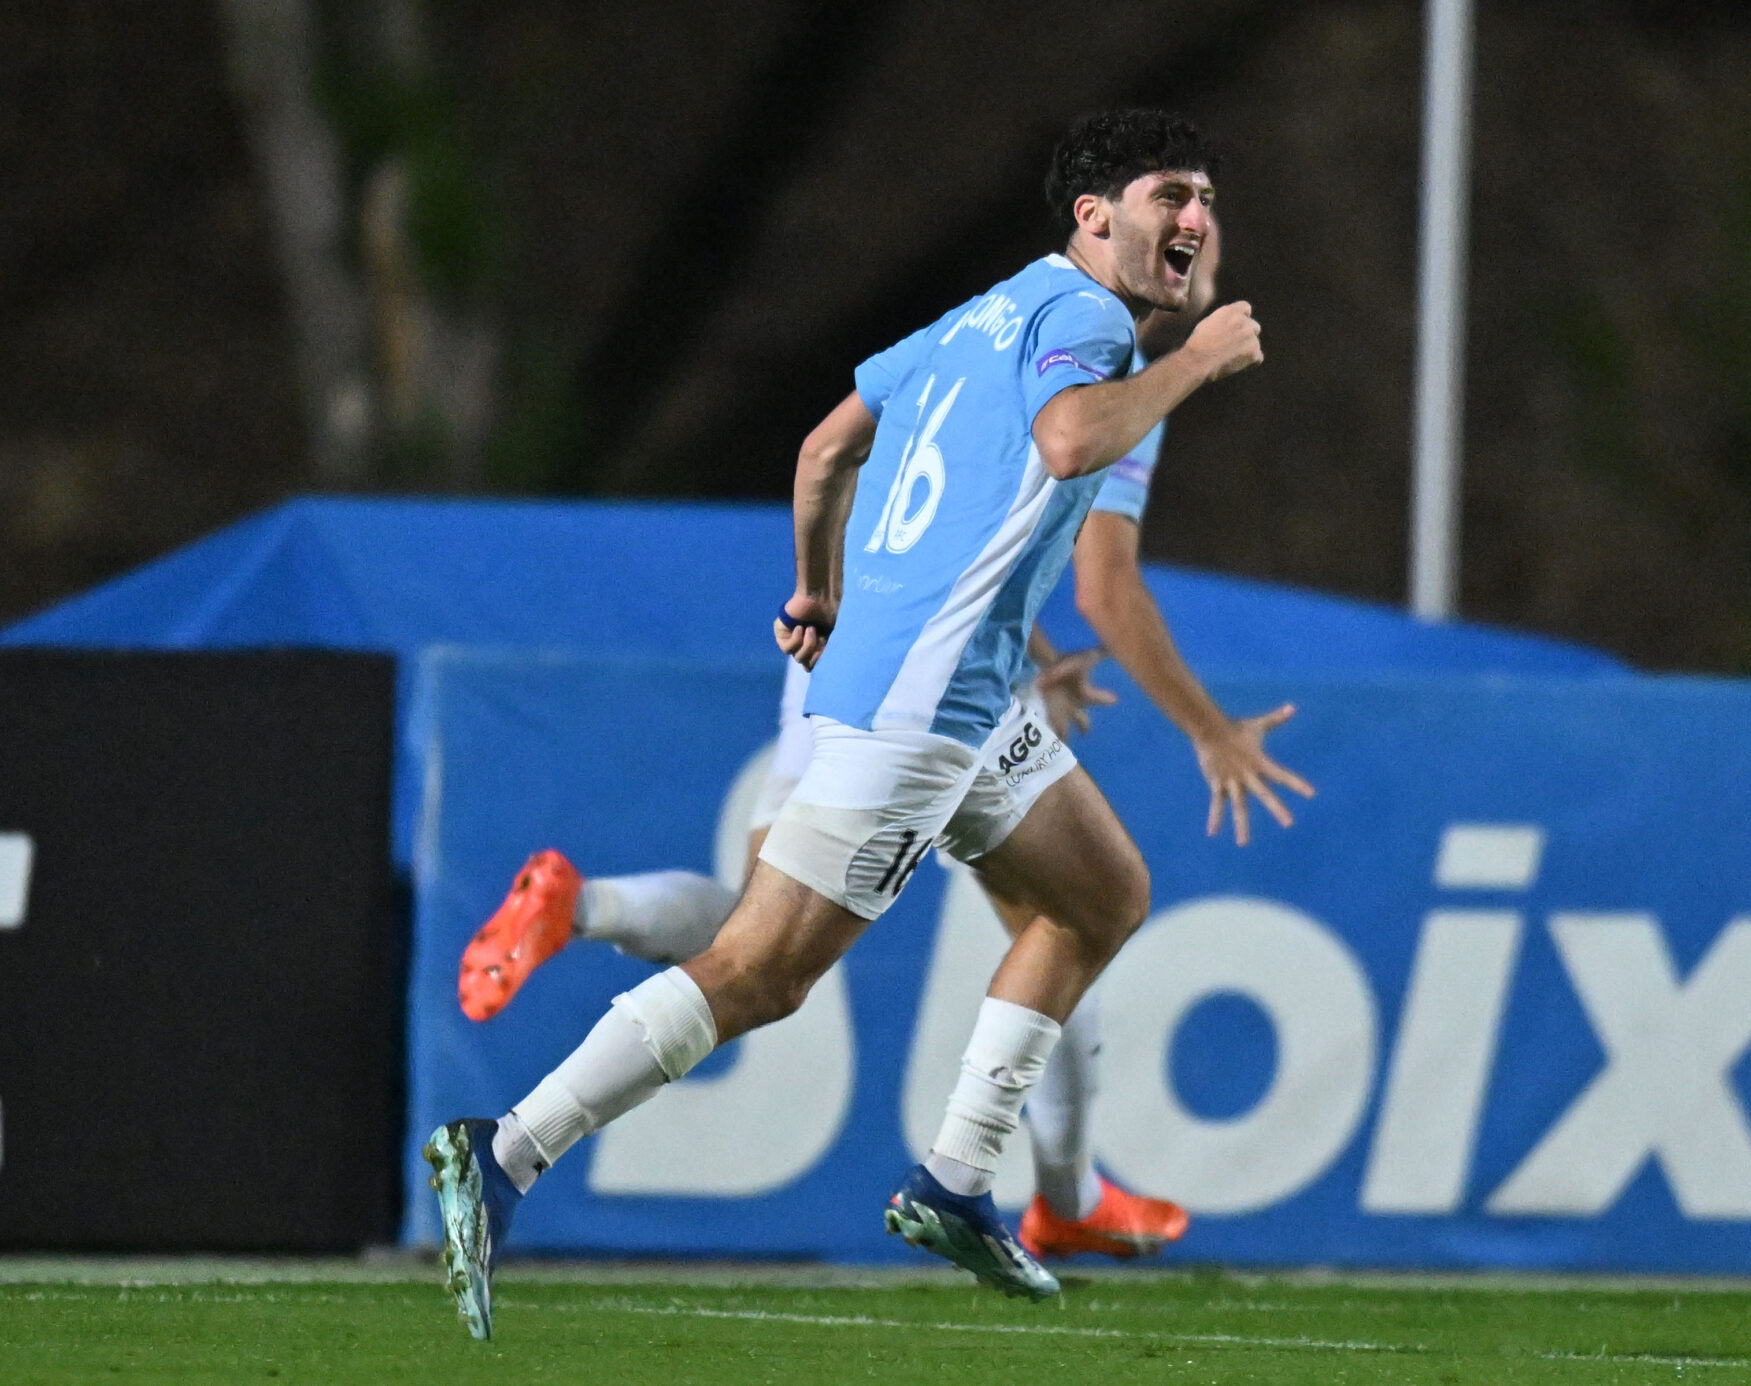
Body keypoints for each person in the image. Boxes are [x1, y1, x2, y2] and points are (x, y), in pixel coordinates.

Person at [424, 108, 1265, 1340]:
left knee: (1100, 894)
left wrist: (815, 591)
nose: (1193, 217)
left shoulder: (977, 317)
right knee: (759, 973)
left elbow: (825, 450)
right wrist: (1194, 362)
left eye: (1203, 199)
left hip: (960, 694)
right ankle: (504, 1151)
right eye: (1167, 195)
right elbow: (1069, 438)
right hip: (920, 706)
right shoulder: (1091, 323)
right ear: (1092, 217)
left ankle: (957, 1181)